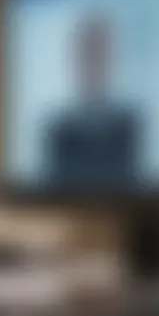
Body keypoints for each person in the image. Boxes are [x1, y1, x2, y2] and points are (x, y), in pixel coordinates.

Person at [45, 15, 141, 190]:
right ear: (76, 59)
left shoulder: (128, 122)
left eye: (99, 53)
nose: (93, 62)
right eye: (88, 53)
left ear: (110, 58)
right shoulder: (59, 128)